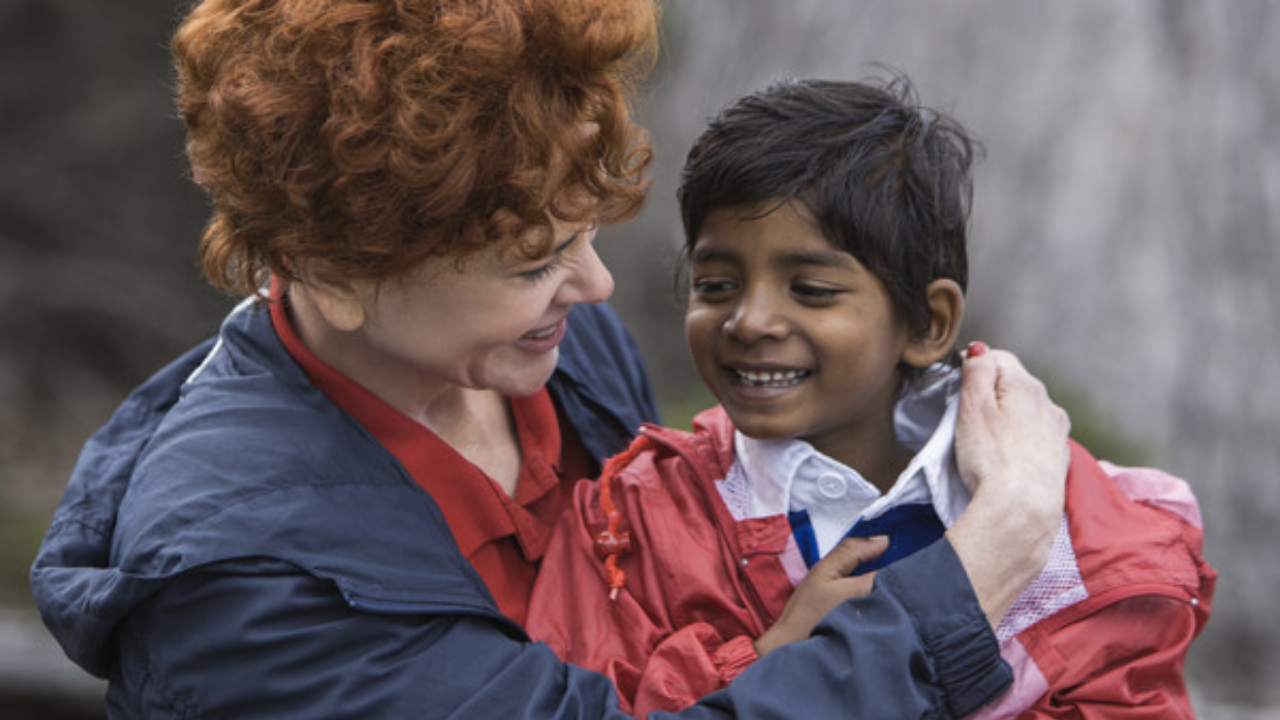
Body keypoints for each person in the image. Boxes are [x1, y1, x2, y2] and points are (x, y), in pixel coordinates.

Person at [30, 3, 1070, 718]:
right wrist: (982, 564)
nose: (595, 290)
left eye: (587, 235)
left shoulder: (548, 363)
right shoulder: (249, 590)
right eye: (534, 261)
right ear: (331, 270)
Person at [526, 76, 1217, 718]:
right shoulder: (631, 524)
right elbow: (583, 701)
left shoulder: (1068, 525)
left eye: (813, 290)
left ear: (927, 323)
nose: (750, 320)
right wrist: (775, 655)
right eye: (716, 285)